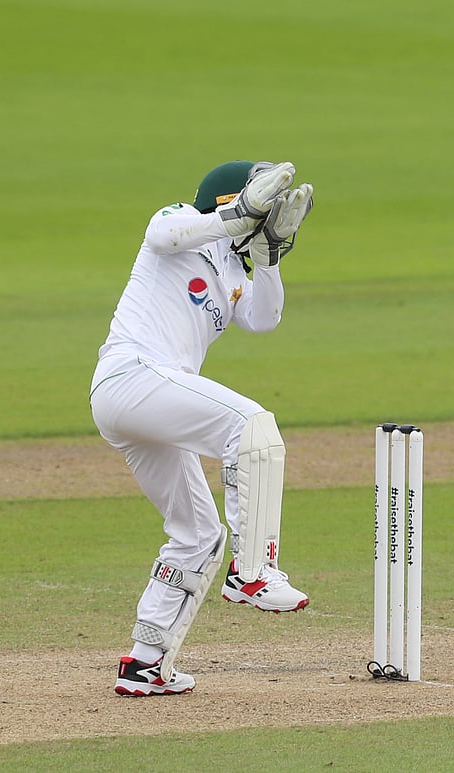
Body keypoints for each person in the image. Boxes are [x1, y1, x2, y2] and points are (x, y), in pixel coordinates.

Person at [90, 160, 315, 695]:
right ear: (231, 202)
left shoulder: (233, 270)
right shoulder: (177, 221)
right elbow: (166, 234)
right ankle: (253, 571)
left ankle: (146, 663)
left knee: (197, 535)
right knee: (252, 426)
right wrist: (240, 214)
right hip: (132, 374)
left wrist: (269, 258)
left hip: (148, 402)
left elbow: (265, 318)